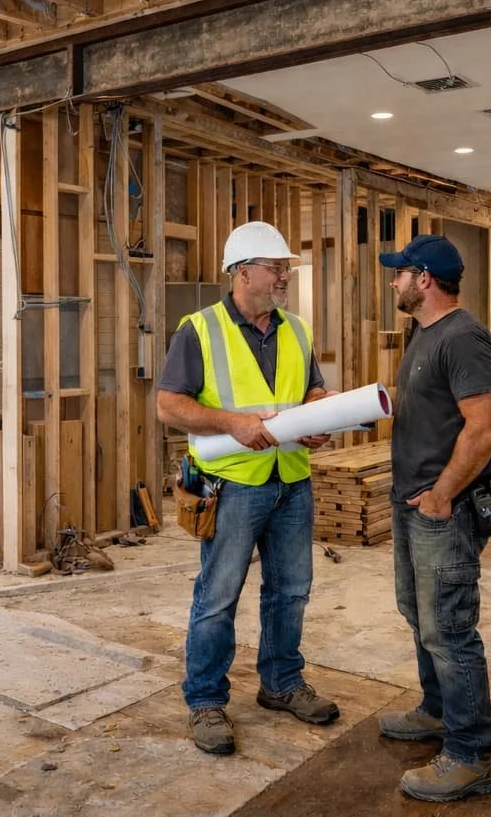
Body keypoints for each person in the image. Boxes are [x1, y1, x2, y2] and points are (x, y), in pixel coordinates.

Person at [156, 220, 338, 756]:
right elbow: (169, 405)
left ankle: (281, 685)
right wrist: (231, 422)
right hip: (233, 482)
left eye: (285, 268)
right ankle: (206, 700)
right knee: (217, 597)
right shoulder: (199, 328)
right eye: (276, 267)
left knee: (292, 591)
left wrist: (320, 411)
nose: (285, 276)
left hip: (292, 478)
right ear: (242, 273)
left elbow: (312, 385)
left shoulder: (296, 328)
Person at [377, 233, 491, 803]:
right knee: (419, 614)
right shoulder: (425, 334)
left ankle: (472, 753)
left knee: (450, 628)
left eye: (400, 273)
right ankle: (436, 711)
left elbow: (485, 427)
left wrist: (440, 495)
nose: (393, 281)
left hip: (442, 510)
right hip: (413, 503)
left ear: (423, 278)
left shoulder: (465, 338)